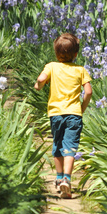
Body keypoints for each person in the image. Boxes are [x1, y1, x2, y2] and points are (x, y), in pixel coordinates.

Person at [34, 33, 92, 199]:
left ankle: (59, 179)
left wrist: (38, 85)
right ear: (76, 54)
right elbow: (88, 91)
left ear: (55, 53)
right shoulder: (80, 70)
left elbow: (41, 79)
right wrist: (82, 107)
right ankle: (66, 178)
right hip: (74, 114)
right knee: (70, 146)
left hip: (56, 114)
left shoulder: (51, 66)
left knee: (57, 143)